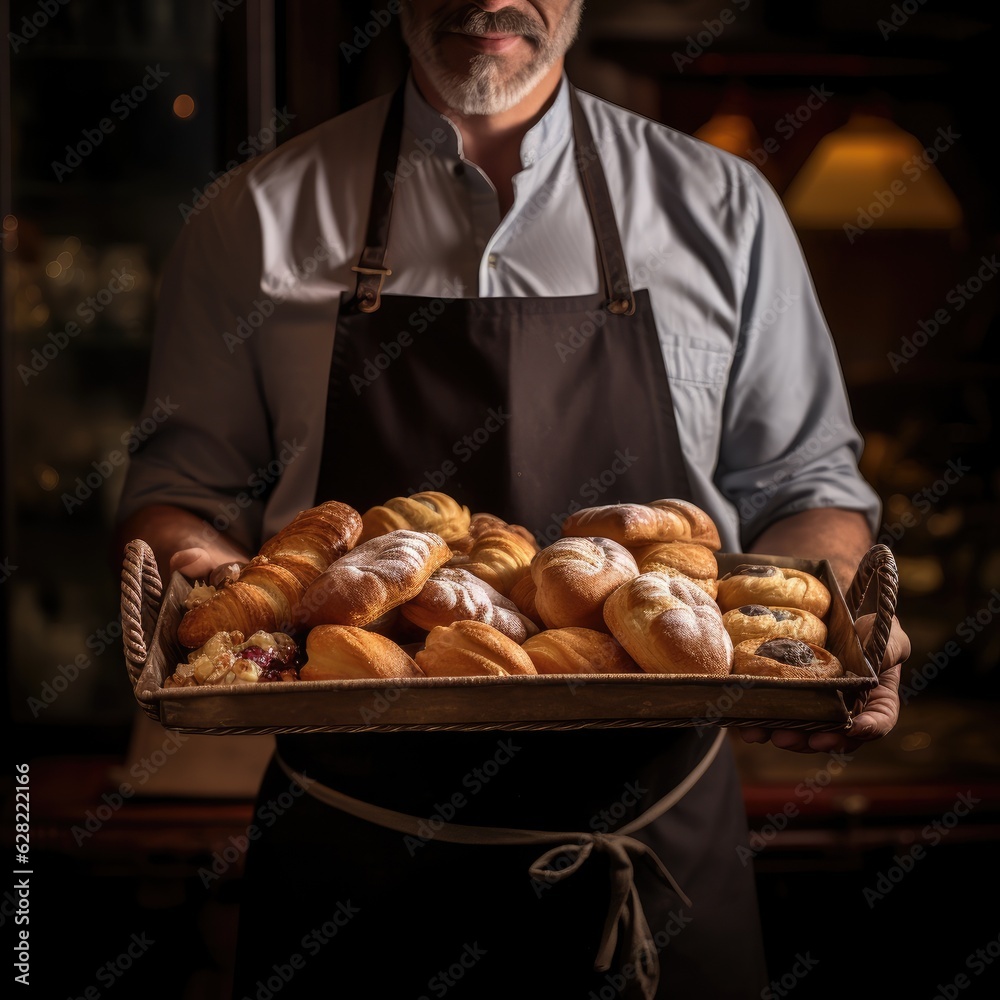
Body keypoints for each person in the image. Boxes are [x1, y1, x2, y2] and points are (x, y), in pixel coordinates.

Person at [114, 2, 910, 997]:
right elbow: (181, 497)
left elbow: (809, 488)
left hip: (654, 855)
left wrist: (835, 616)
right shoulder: (252, 217)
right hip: (357, 869)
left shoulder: (722, 206)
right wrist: (200, 586)